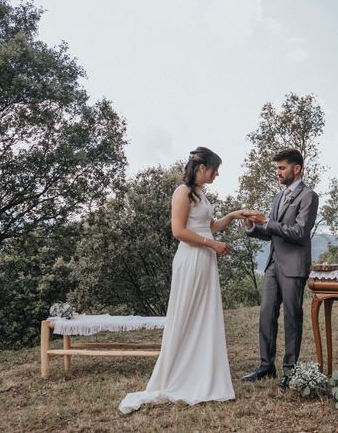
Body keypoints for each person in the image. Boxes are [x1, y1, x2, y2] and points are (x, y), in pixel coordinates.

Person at [119, 147, 249, 413]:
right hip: (191, 259)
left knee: (204, 316)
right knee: (188, 315)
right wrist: (211, 245)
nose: (217, 174)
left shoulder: (201, 194)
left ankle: (202, 374)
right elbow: (178, 231)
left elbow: (211, 226)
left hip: (204, 261)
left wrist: (234, 215)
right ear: (202, 168)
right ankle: (180, 374)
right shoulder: (182, 192)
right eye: (215, 169)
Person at [240, 148, 319, 388]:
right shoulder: (278, 197)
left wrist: (267, 221)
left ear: (297, 168)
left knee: (292, 318)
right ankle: (266, 366)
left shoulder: (309, 196)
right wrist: (253, 227)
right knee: (266, 315)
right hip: (273, 265)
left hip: (294, 265)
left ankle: (291, 371)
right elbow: (271, 233)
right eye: (277, 168)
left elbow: (299, 232)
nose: (278, 172)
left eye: (282, 168)